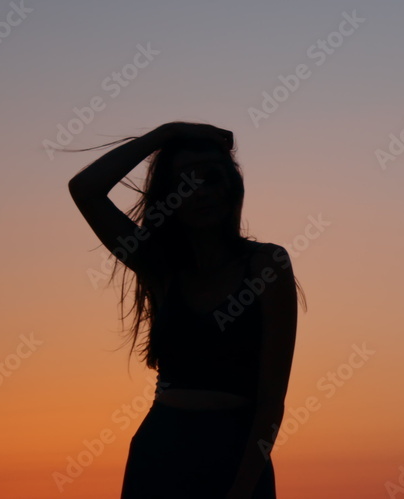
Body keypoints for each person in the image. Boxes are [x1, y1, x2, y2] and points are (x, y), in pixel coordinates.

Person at [67, 121, 303, 498]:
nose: (201, 192)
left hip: (237, 453)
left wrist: (242, 489)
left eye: (211, 177)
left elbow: (271, 403)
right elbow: (85, 190)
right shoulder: (160, 267)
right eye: (184, 181)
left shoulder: (265, 265)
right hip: (160, 451)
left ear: (231, 186)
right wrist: (165, 133)